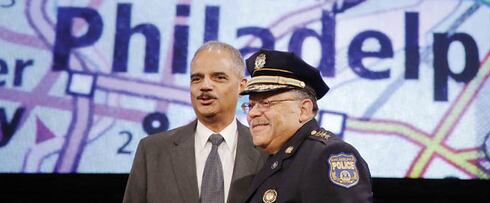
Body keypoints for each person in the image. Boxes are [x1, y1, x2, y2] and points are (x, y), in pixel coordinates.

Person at [123, 42, 265, 203]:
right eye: (196, 79)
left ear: (242, 86)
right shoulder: (152, 151)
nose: (205, 86)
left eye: (218, 77)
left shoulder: (266, 151)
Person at [240, 49, 373, 203]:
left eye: (265, 103)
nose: (252, 114)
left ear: (304, 110)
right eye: (251, 105)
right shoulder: (273, 159)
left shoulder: (328, 156)